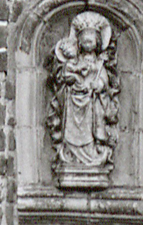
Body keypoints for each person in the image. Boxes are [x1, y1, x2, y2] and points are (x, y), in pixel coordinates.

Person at [48, 11, 118, 170]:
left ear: (98, 42)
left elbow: (104, 80)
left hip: (92, 101)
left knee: (93, 124)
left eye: (91, 39)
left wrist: (99, 86)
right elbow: (64, 76)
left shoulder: (100, 63)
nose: (87, 42)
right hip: (73, 102)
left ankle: (92, 153)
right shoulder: (74, 60)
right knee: (71, 129)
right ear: (78, 42)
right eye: (84, 39)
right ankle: (70, 155)